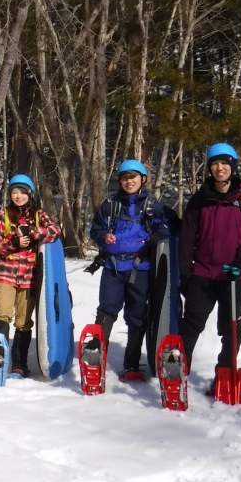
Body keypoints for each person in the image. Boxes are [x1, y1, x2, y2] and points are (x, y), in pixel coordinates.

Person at [178, 143, 241, 382]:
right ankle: (178, 373)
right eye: (215, 163)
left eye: (225, 163)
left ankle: (224, 374)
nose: (220, 168)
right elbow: (187, 238)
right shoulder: (199, 200)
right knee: (191, 325)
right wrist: (186, 272)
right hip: (203, 273)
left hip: (233, 274)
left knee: (231, 328)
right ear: (209, 168)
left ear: (232, 167)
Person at [88, 160, 172, 381]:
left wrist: (153, 238)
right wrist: (103, 237)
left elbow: (164, 229)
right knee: (106, 310)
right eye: (125, 178)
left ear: (142, 179)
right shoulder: (110, 204)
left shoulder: (152, 205)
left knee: (136, 317)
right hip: (113, 267)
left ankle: (131, 364)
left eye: (133, 177)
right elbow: (95, 229)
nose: (129, 181)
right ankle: (96, 358)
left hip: (140, 269)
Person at [0, 174, 62, 378]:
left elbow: (56, 229)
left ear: (30, 193)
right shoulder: (4, 215)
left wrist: (36, 233)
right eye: (14, 192)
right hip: (5, 273)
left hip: (29, 276)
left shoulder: (38, 214)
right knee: (2, 313)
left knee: (23, 321)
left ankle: (19, 364)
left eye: (22, 192)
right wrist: (14, 243)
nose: (18, 196)